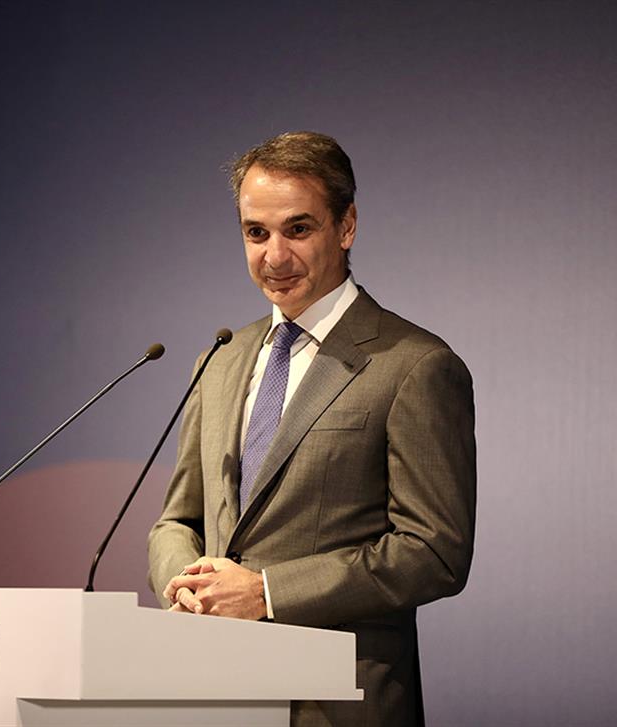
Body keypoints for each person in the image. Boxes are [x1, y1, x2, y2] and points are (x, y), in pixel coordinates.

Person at [147, 131, 476, 727]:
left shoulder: (415, 366)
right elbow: (179, 520)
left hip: (336, 704)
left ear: (346, 227)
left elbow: (433, 552)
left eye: (298, 229)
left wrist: (266, 592)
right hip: (215, 694)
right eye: (256, 233)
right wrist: (186, 583)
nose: (274, 257)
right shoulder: (219, 361)